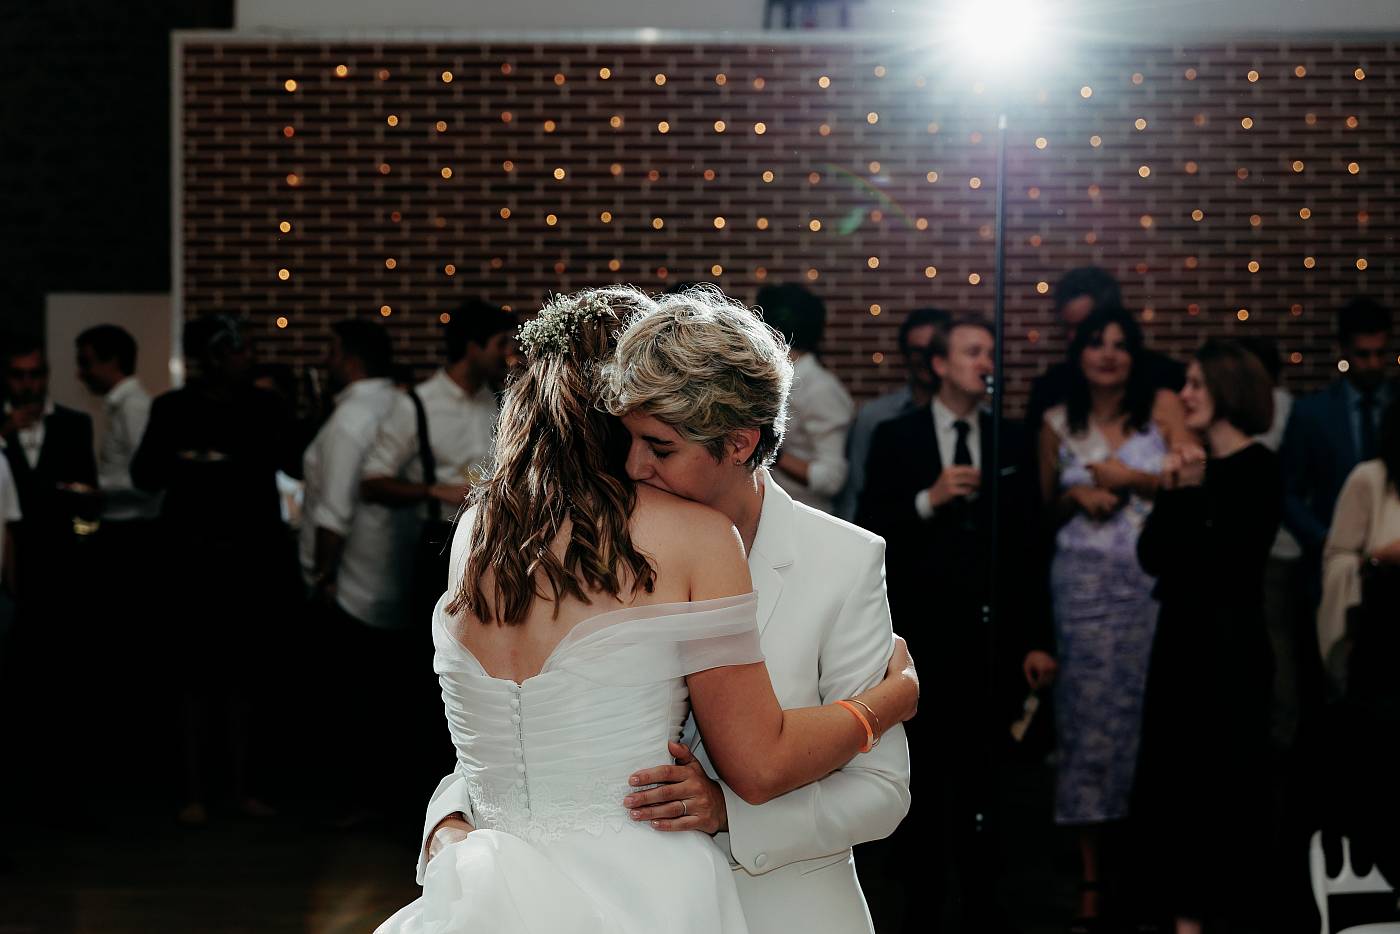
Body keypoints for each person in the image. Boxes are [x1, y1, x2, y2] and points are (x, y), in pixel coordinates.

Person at [378, 287, 918, 934]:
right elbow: (527, 726)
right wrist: (894, 696)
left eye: (659, 447)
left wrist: (730, 815)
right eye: (628, 434)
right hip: (603, 898)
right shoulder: (567, 544)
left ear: (739, 443)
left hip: (782, 911)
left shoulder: (843, 560)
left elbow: (883, 791)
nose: (636, 465)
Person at [858, 315, 1049, 930]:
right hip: (923, 640)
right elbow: (868, 529)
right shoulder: (897, 436)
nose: (985, 363)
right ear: (940, 365)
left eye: (991, 352)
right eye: (972, 352)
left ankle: (985, 906)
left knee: (988, 780)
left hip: (994, 642)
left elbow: (1031, 545)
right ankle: (918, 907)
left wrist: (1038, 637)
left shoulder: (1012, 439)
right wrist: (928, 500)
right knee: (925, 776)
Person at [1038, 305, 1184, 929]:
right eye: (1097, 343)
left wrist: (1128, 479)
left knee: (1152, 726)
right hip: (1082, 596)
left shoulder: (1164, 408)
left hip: (1154, 591)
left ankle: (1150, 871)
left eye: (1121, 345)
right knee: (1089, 732)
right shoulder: (1054, 422)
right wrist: (1074, 492)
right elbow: (1039, 511)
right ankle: (1092, 877)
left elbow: (1191, 484)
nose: (1108, 354)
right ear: (1079, 353)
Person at [1134, 341, 1281, 934]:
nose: (1185, 396)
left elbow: (1225, 562)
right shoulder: (1191, 467)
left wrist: (1190, 494)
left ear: (1227, 390)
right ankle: (1179, 916)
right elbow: (1152, 557)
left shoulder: (1259, 467)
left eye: (1196, 384)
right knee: (1175, 786)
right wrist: (1178, 490)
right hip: (1179, 645)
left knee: (1222, 787)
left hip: (1230, 651)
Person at [131, 313, 299, 823]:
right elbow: (145, 474)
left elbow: (293, 460)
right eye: (242, 348)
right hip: (190, 564)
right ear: (217, 356)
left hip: (250, 562)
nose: (250, 357)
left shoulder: (267, 405)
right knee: (191, 682)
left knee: (247, 680)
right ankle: (193, 793)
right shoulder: (172, 408)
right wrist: (189, 460)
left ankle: (244, 789)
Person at [1281, 298, 1395, 600]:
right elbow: (1287, 491)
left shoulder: (1398, 404)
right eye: (1363, 355)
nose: (1373, 364)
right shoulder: (1313, 413)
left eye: (1380, 354)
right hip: (1332, 563)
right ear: (1344, 351)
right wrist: (1325, 539)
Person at [1024, 267, 1185, 445]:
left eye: (1085, 325)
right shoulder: (1050, 388)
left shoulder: (1165, 377)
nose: (1076, 336)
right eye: (1069, 327)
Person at [835, 307, 950, 521]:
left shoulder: (972, 420)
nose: (926, 359)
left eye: (933, 350)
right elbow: (856, 490)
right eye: (917, 351)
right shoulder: (876, 417)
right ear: (905, 355)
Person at [756, 283, 854, 514]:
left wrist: (770, 450)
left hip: (806, 518)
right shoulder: (778, 376)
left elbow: (832, 478)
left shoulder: (821, 388)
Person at [75, 325, 161, 525]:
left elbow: (148, 476)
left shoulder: (133, 406)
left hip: (131, 522)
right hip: (124, 519)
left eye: (85, 362)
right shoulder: (124, 404)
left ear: (112, 361)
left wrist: (95, 488)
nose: (80, 373)